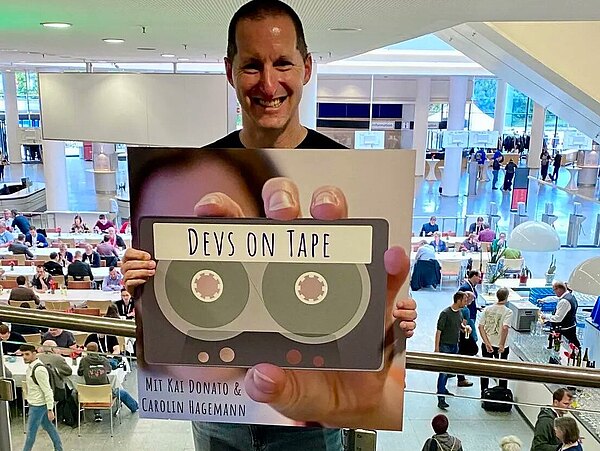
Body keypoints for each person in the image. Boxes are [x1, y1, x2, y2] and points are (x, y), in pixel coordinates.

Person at [121, 1, 417, 449]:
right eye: (251, 66)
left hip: (312, 422)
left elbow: (373, 296)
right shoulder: (203, 165)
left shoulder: (352, 171)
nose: (268, 83)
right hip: (217, 415)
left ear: (307, 67)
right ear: (229, 71)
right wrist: (143, 277)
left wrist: (396, 318)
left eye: (282, 63)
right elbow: (183, 292)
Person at [77, 342, 138, 422]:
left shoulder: (83, 361)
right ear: (97, 350)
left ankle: (97, 414)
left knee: (93, 390)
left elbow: (79, 373)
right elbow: (109, 370)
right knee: (122, 393)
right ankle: (135, 407)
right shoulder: (103, 360)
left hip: (89, 394)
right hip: (106, 393)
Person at [20, 343, 64, 451]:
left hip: (38, 405)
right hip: (37, 403)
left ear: (34, 353)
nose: (24, 357)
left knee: (31, 432)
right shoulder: (32, 367)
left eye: (27, 354)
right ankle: (59, 448)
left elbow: (47, 390)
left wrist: (50, 409)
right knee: (48, 426)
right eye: (22, 354)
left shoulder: (39, 370)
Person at [435, 292, 470, 410]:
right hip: (445, 346)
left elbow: (459, 326)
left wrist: (465, 328)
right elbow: (439, 331)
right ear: (458, 300)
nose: (466, 303)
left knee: (449, 370)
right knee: (443, 372)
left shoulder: (460, 312)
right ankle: (440, 398)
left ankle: (443, 389)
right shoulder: (445, 313)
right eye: (464, 300)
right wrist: (437, 348)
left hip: (455, 345)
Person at [478, 287, 513, 396]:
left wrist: (487, 343)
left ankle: (484, 393)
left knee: (485, 369)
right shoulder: (508, 312)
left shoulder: (487, 309)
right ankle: (502, 394)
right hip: (501, 346)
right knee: (502, 371)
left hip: (487, 343)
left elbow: (480, 326)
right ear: (506, 297)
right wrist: (501, 345)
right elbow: (505, 328)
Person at [542, 281, 580, 349]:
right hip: (571, 326)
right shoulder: (569, 296)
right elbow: (556, 298)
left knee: (571, 347)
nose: (554, 292)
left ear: (559, 289)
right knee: (574, 344)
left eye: (554, 290)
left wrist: (545, 316)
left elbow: (557, 318)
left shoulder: (564, 302)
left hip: (565, 330)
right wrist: (544, 300)